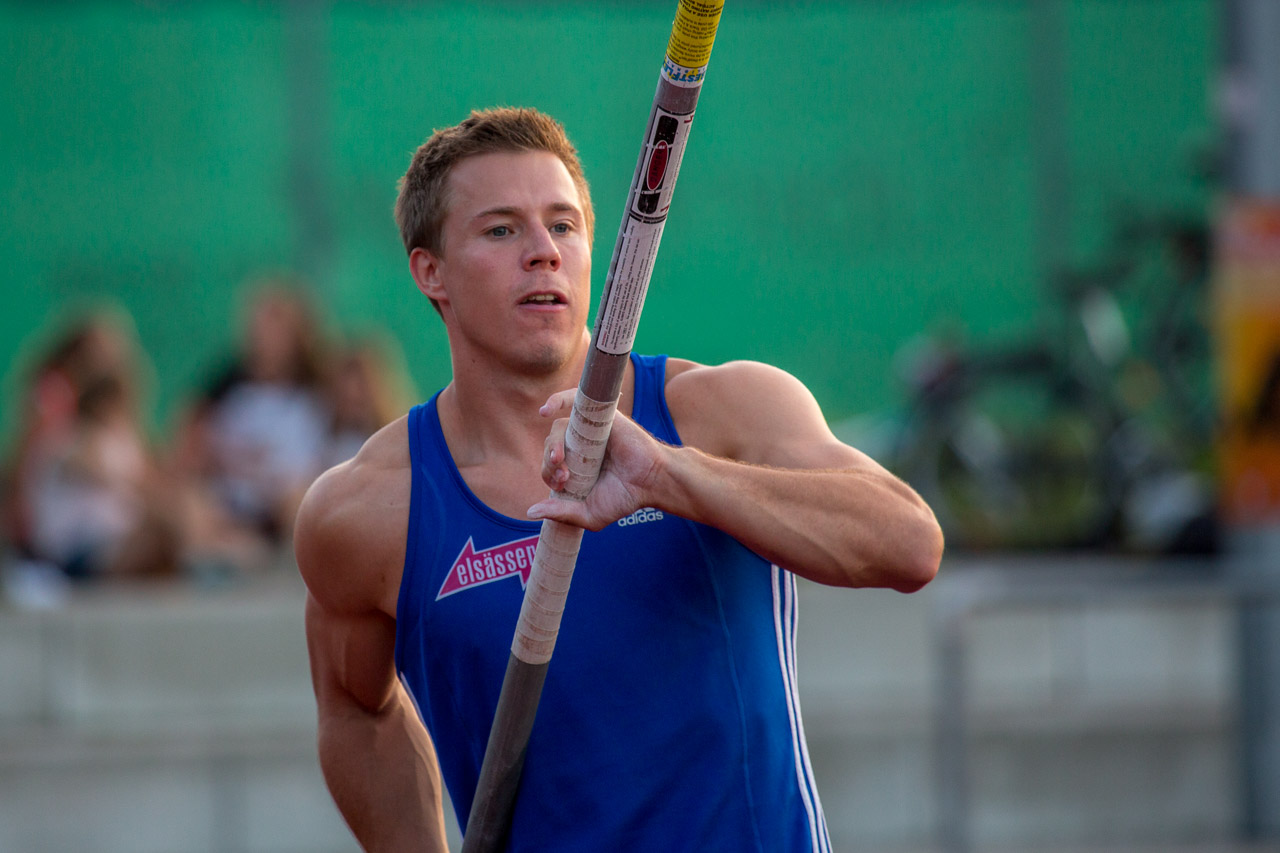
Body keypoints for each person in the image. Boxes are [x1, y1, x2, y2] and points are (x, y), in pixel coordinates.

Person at [294, 107, 944, 852]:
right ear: (430, 272)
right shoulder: (371, 510)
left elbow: (909, 542)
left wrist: (669, 474)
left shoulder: (718, 414)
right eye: (501, 230)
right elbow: (357, 711)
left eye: (563, 226)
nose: (543, 252)